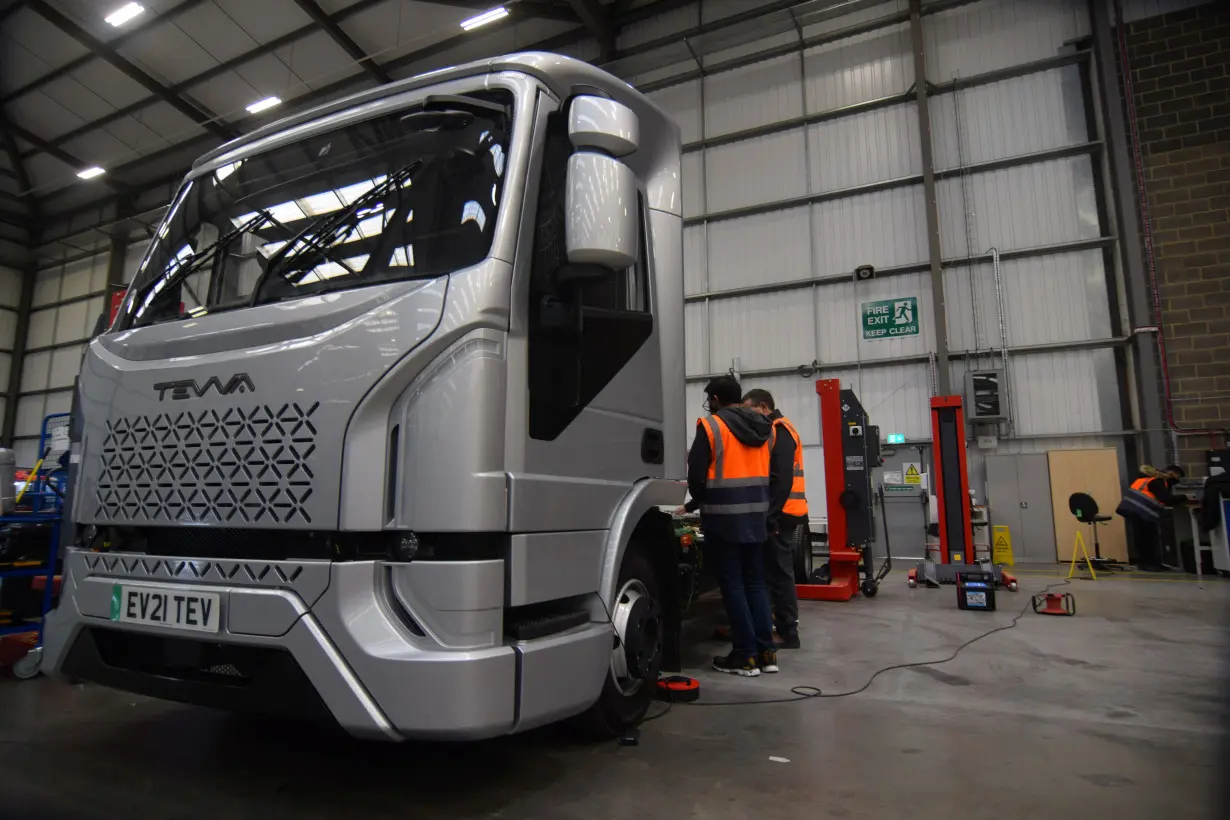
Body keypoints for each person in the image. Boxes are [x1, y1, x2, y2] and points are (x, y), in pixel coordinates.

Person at [676, 375, 777, 676]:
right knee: (756, 584)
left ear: (716, 399)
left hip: (723, 517)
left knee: (732, 585)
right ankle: (766, 653)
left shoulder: (711, 426)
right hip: (757, 516)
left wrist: (697, 502)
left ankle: (745, 656)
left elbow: (696, 475)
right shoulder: (765, 428)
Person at [742, 389, 807, 649]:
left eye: (750, 410)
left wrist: (771, 518)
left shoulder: (781, 430)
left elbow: (781, 480)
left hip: (783, 513)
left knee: (780, 574)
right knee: (770, 572)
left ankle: (788, 633)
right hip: (783, 511)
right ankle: (763, 624)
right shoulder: (774, 430)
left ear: (764, 407)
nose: (746, 415)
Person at [1117, 464, 1185, 572]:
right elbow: (1165, 499)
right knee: (1150, 539)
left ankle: (1144, 564)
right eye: (1178, 477)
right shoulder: (1158, 481)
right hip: (1143, 512)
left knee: (1142, 539)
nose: (1177, 480)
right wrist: (1183, 498)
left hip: (1134, 511)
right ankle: (1152, 564)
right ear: (1172, 474)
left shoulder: (1147, 478)